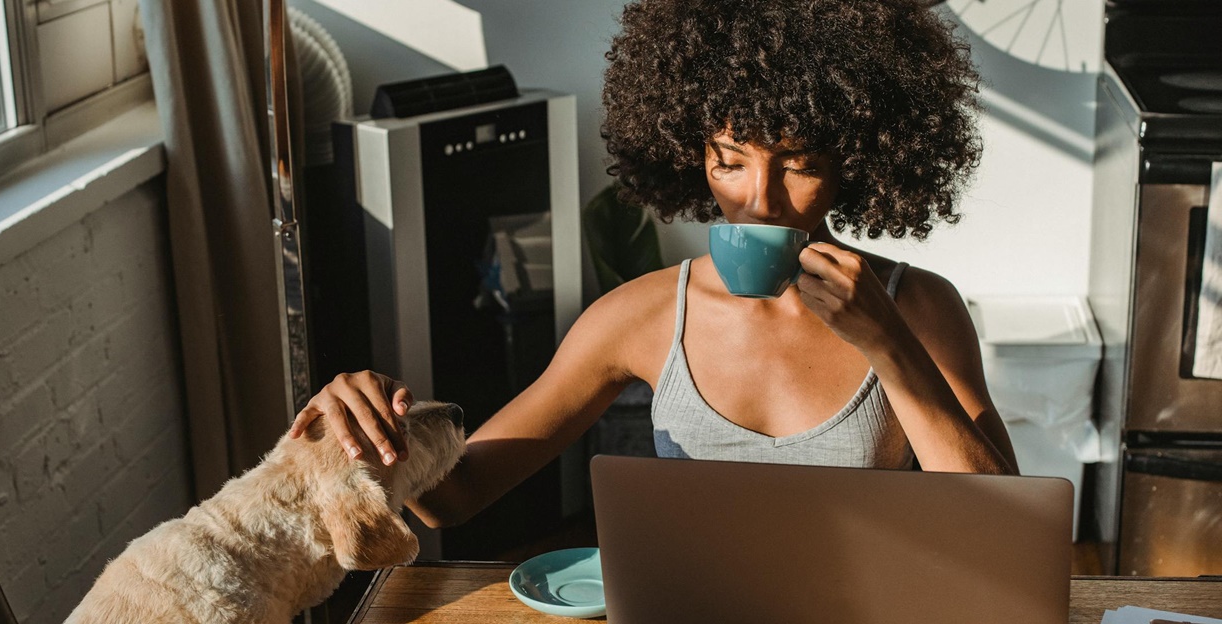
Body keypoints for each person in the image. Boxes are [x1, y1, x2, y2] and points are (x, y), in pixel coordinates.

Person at [289, 0, 1018, 529]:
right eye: (729, 162)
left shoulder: (915, 306)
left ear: (856, 165)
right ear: (692, 152)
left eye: (798, 164)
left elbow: (1002, 523)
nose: (758, 201)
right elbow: (454, 497)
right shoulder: (638, 317)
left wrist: (888, 343)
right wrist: (372, 423)